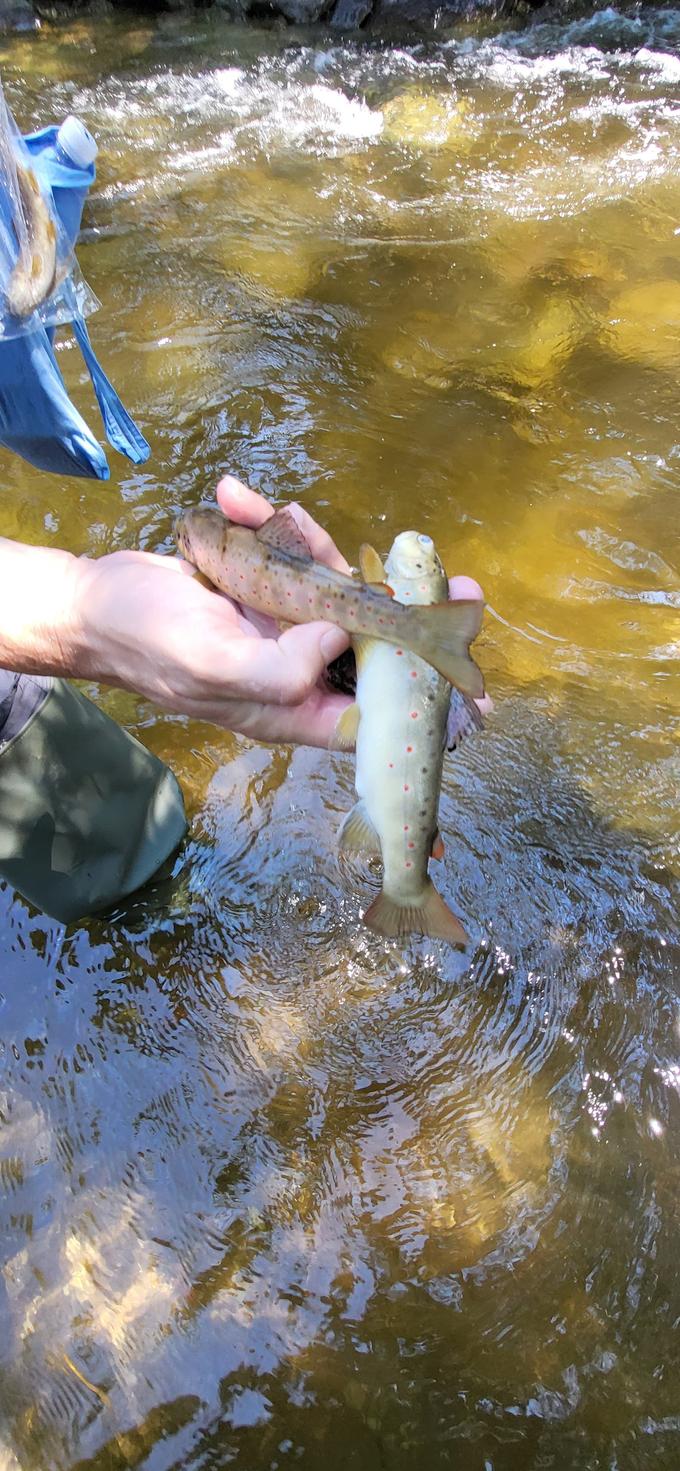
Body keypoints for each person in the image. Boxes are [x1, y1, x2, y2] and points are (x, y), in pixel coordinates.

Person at [0, 474, 487, 748]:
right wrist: (86, 605)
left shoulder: (204, 570)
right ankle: (428, 640)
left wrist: (83, 597)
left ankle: (427, 648)